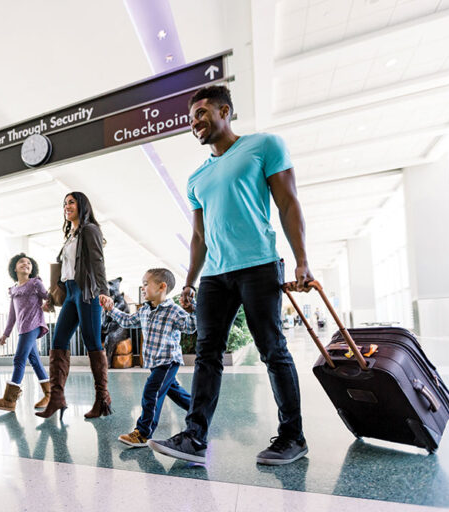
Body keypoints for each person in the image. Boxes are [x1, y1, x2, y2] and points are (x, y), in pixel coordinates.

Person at [148, 85, 314, 466]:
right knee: (207, 354)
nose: (195, 123)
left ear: (226, 111)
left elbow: (288, 202)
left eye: (202, 113)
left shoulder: (263, 146)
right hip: (216, 276)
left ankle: (293, 437)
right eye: (192, 118)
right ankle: (195, 436)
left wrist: (302, 260)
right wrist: (189, 280)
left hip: (258, 265)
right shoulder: (196, 179)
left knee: (273, 350)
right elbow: (199, 236)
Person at [37, 192, 113, 420]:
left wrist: (104, 292)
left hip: (87, 292)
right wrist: (52, 295)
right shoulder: (70, 235)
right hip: (70, 292)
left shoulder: (90, 230)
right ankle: (57, 398)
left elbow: (98, 262)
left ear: (82, 205)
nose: (67, 206)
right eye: (64, 203)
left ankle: (102, 399)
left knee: (92, 342)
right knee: (58, 341)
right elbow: (65, 270)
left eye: (71, 202)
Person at [103, 268, 195, 447]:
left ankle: (143, 433)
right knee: (174, 391)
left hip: (168, 361)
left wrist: (194, 308)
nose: (142, 288)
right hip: (154, 362)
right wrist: (111, 309)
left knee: (151, 392)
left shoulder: (173, 310)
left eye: (145, 284)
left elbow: (190, 326)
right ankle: (199, 411)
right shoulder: (144, 310)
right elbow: (128, 321)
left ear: (162, 287)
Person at [0, 253, 51, 412]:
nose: (26, 264)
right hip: (22, 328)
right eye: (21, 262)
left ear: (32, 268)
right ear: (14, 268)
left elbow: (48, 297)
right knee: (34, 361)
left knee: (19, 359)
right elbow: (13, 315)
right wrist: (6, 333)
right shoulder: (14, 290)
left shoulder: (35, 283)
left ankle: (9, 400)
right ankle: (50, 395)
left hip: (34, 325)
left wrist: (49, 301)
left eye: (29, 263)